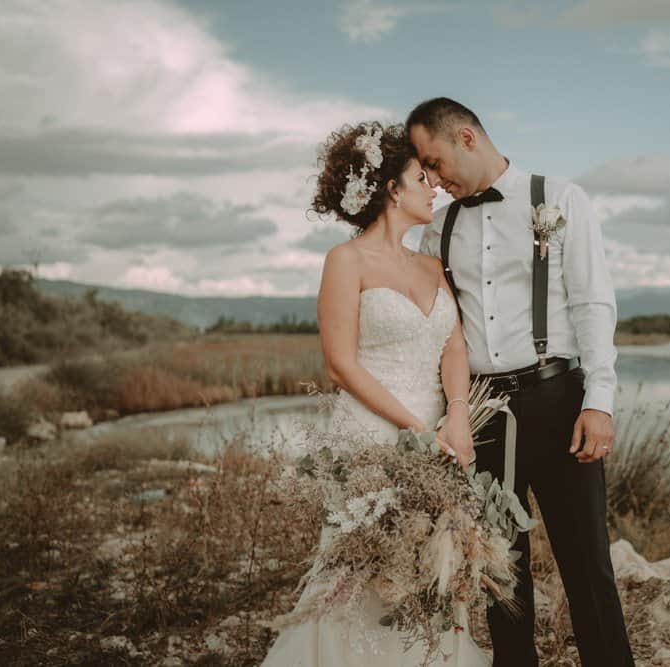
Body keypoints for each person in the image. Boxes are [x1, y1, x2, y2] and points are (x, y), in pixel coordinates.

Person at [408, 97, 634, 667]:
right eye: (423, 170)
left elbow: (592, 304)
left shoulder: (558, 199)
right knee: (500, 575)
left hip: (558, 401)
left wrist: (599, 402)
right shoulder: (437, 230)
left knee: (588, 567)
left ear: (466, 138)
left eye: (434, 162)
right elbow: (442, 332)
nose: (432, 179)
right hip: (482, 413)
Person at [261, 121, 489, 666]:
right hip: (371, 434)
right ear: (391, 188)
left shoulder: (432, 265)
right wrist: (416, 432)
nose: (433, 184)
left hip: (441, 434)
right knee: (362, 572)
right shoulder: (346, 261)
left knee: (433, 564)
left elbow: (454, 347)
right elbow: (341, 365)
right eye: (421, 175)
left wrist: (456, 418)